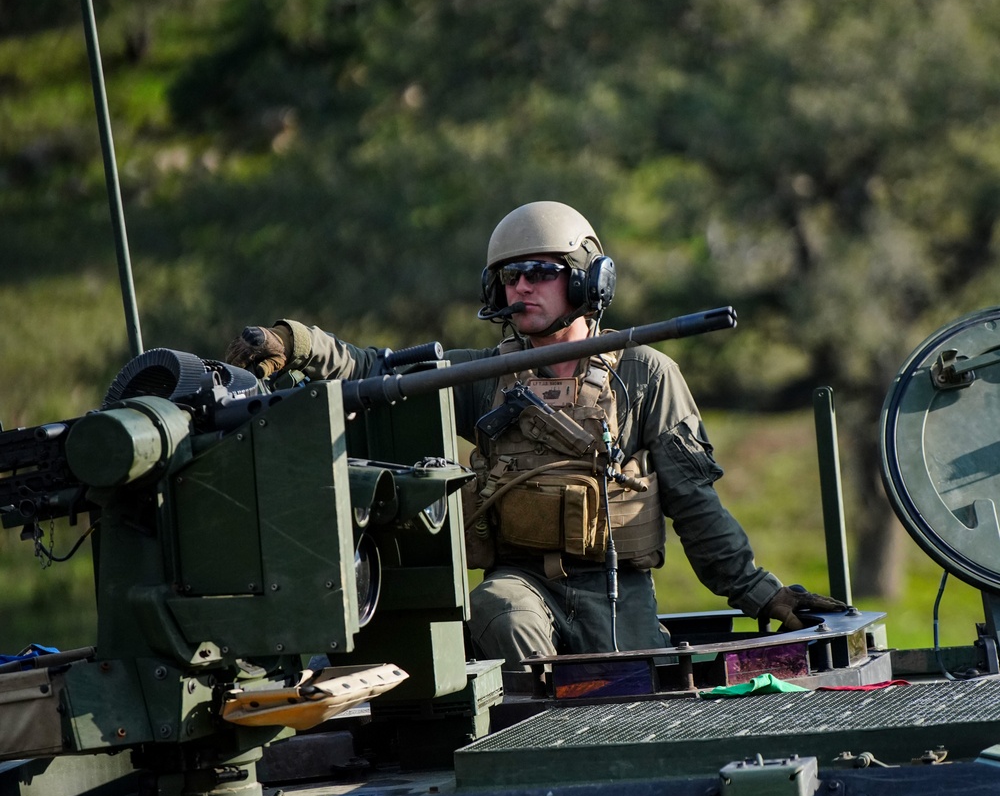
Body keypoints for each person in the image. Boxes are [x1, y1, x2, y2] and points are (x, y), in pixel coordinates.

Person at [226, 200, 844, 671]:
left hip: (617, 590)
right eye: (509, 276)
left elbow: (695, 505)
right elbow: (373, 370)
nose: (520, 287)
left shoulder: (644, 374)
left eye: (539, 273)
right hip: (523, 585)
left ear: (584, 281)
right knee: (500, 610)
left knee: (629, 703)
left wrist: (762, 595)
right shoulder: (481, 377)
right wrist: (295, 343)